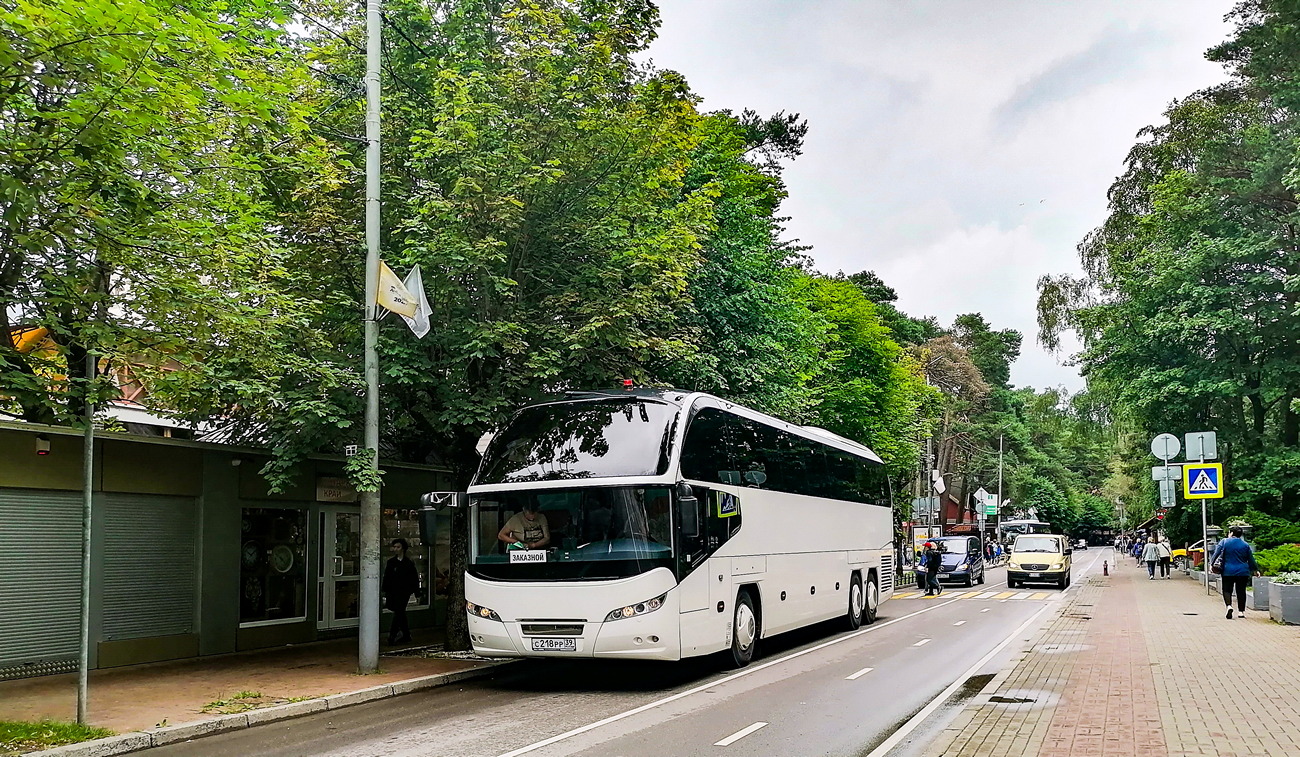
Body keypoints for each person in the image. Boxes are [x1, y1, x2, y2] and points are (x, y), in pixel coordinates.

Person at [1211, 526, 1260, 619]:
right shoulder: (1245, 544)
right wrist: (1255, 570)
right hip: (1243, 571)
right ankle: (1241, 612)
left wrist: (1211, 564)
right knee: (1241, 591)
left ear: (1231, 533)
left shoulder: (1224, 542)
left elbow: (1216, 553)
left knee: (1227, 590)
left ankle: (1229, 606)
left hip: (1227, 571)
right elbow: (1250, 559)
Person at [382, 538, 420, 644]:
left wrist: (416, 592)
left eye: (398, 547)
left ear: (403, 548)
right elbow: (387, 577)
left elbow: (414, 578)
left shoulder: (408, 563)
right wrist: (385, 591)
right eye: (394, 547)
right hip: (393, 592)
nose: (395, 549)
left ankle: (392, 636)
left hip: (404, 592)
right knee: (400, 613)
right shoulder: (391, 562)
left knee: (399, 611)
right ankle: (406, 635)